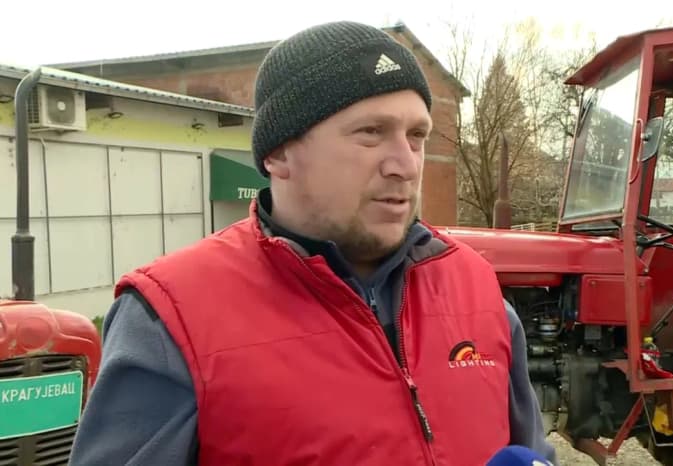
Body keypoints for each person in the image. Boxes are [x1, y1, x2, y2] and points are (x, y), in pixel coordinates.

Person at [68, 20, 559, 466]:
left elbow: (532, 452)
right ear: (280, 154)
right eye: (371, 132)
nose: (405, 164)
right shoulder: (170, 317)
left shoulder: (478, 290)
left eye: (416, 136)